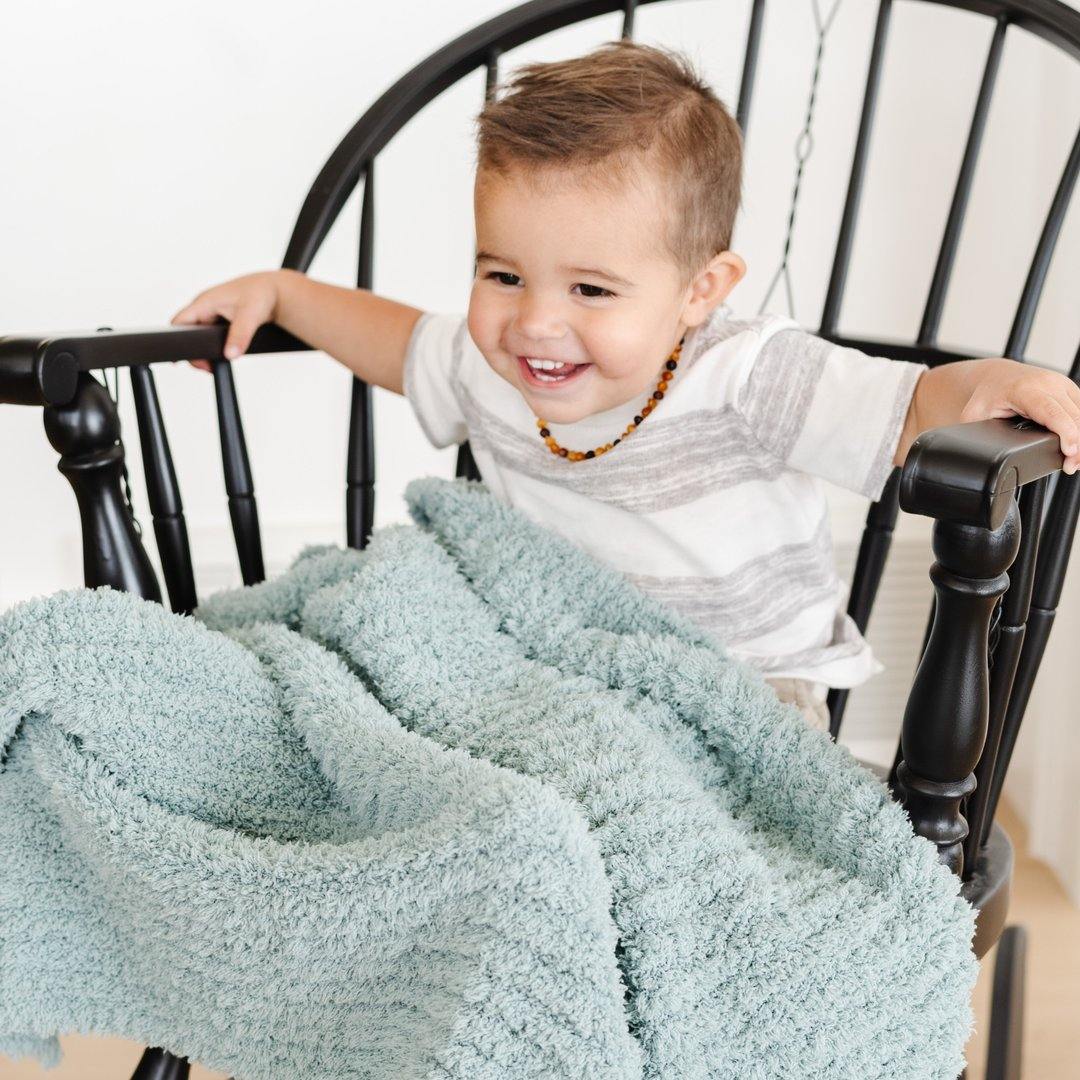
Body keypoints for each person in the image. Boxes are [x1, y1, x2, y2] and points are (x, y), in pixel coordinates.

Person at [170, 40, 1080, 733]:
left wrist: (997, 382)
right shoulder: (495, 367)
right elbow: (397, 340)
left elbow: (906, 409)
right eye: (503, 275)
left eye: (591, 290)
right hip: (554, 676)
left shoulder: (747, 374)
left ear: (700, 291)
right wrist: (284, 291)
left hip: (743, 699)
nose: (535, 322)